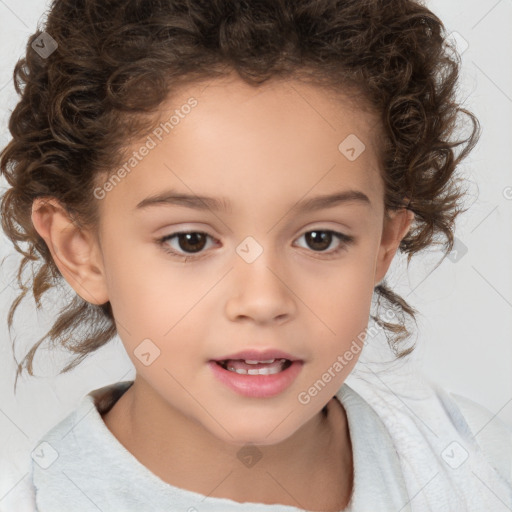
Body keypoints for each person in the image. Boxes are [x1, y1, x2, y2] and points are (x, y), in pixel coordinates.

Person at [1, 0, 511, 510]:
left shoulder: (474, 459)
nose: (263, 300)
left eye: (319, 238)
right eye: (190, 240)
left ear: (383, 242)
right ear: (81, 252)